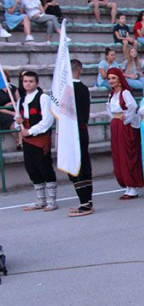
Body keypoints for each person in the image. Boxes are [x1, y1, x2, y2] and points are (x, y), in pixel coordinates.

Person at [15, 70, 57, 210]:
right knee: (31, 167)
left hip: (40, 137)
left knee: (44, 166)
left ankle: (52, 200)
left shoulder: (43, 98)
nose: (28, 83)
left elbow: (47, 121)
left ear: (36, 83)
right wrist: (18, 122)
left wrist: (30, 131)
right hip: (27, 139)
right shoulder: (21, 99)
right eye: (25, 81)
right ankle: (41, 200)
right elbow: (18, 121)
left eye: (31, 81)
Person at [105, 67, 144, 199]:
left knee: (126, 154)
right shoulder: (111, 94)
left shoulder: (125, 93)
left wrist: (126, 117)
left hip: (124, 126)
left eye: (114, 78)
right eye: (109, 78)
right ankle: (127, 186)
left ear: (119, 79)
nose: (111, 81)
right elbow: (108, 108)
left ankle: (132, 186)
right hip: (116, 125)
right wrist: (113, 118)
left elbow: (132, 106)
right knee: (118, 154)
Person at [66, 59, 94, 216]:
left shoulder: (67, 89)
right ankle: (86, 200)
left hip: (73, 131)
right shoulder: (84, 88)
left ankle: (85, 202)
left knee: (76, 165)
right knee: (83, 163)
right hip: (82, 129)